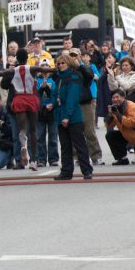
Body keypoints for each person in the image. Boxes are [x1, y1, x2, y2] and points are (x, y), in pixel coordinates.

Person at [53, 52, 93, 180]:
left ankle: (86, 171)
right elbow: (55, 95)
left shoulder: (74, 76)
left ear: (69, 63)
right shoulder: (59, 78)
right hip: (61, 115)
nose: (60, 65)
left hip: (73, 116)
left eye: (63, 63)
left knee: (79, 144)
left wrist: (67, 116)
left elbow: (72, 97)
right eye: (58, 63)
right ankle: (66, 171)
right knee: (65, 146)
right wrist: (50, 104)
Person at [104, 89, 135, 165]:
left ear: (123, 97)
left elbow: (131, 123)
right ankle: (122, 158)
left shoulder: (131, 106)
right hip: (128, 135)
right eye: (113, 98)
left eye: (117, 97)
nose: (115, 99)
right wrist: (110, 116)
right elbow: (110, 126)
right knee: (110, 135)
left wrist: (118, 115)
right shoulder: (115, 108)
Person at [35, 64, 58, 167]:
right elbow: (35, 96)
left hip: (52, 110)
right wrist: (41, 89)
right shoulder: (36, 81)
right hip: (40, 111)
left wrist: (52, 103)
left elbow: (55, 94)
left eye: (46, 67)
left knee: (53, 136)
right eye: (42, 67)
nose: (45, 69)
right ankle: (41, 159)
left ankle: (53, 159)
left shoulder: (54, 80)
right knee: (40, 136)